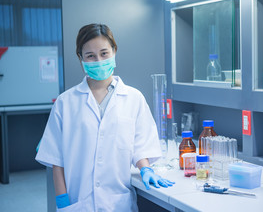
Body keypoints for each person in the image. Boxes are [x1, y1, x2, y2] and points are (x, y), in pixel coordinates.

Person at [35, 23, 174, 211]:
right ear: (80, 58)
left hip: (118, 204)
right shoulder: (65, 102)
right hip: (79, 204)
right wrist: (62, 201)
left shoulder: (134, 98)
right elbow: (56, 161)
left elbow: (140, 146)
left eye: (104, 53)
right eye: (90, 56)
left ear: (114, 51)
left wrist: (146, 169)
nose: (98, 60)